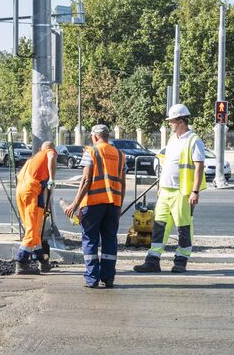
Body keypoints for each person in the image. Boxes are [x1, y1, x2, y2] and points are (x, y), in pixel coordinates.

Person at [134, 103, 206, 274]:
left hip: (182, 191)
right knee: (159, 225)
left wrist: (195, 191)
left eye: (172, 121)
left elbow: (199, 167)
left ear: (181, 121)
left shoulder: (194, 140)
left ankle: (181, 261)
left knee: (184, 227)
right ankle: (153, 260)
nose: (170, 124)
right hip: (165, 190)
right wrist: (160, 185)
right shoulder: (173, 139)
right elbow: (167, 164)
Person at [64, 125, 125, 288]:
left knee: (90, 239)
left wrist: (75, 204)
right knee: (109, 240)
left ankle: (92, 279)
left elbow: (85, 180)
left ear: (95, 137)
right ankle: (108, 277)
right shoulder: (120, 154)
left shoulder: (91, 152)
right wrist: (119, 206)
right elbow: (123, 183)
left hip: (93, 203)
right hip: (113, 204)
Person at [14, 141, 57, 275]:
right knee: (33, 230)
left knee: (33, 228)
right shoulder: (49, 152)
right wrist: (51, 178)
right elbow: (51, 157)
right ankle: (21, 262)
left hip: (21, 192)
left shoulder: (32, 159)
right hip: (32, 192)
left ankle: (42, 261)